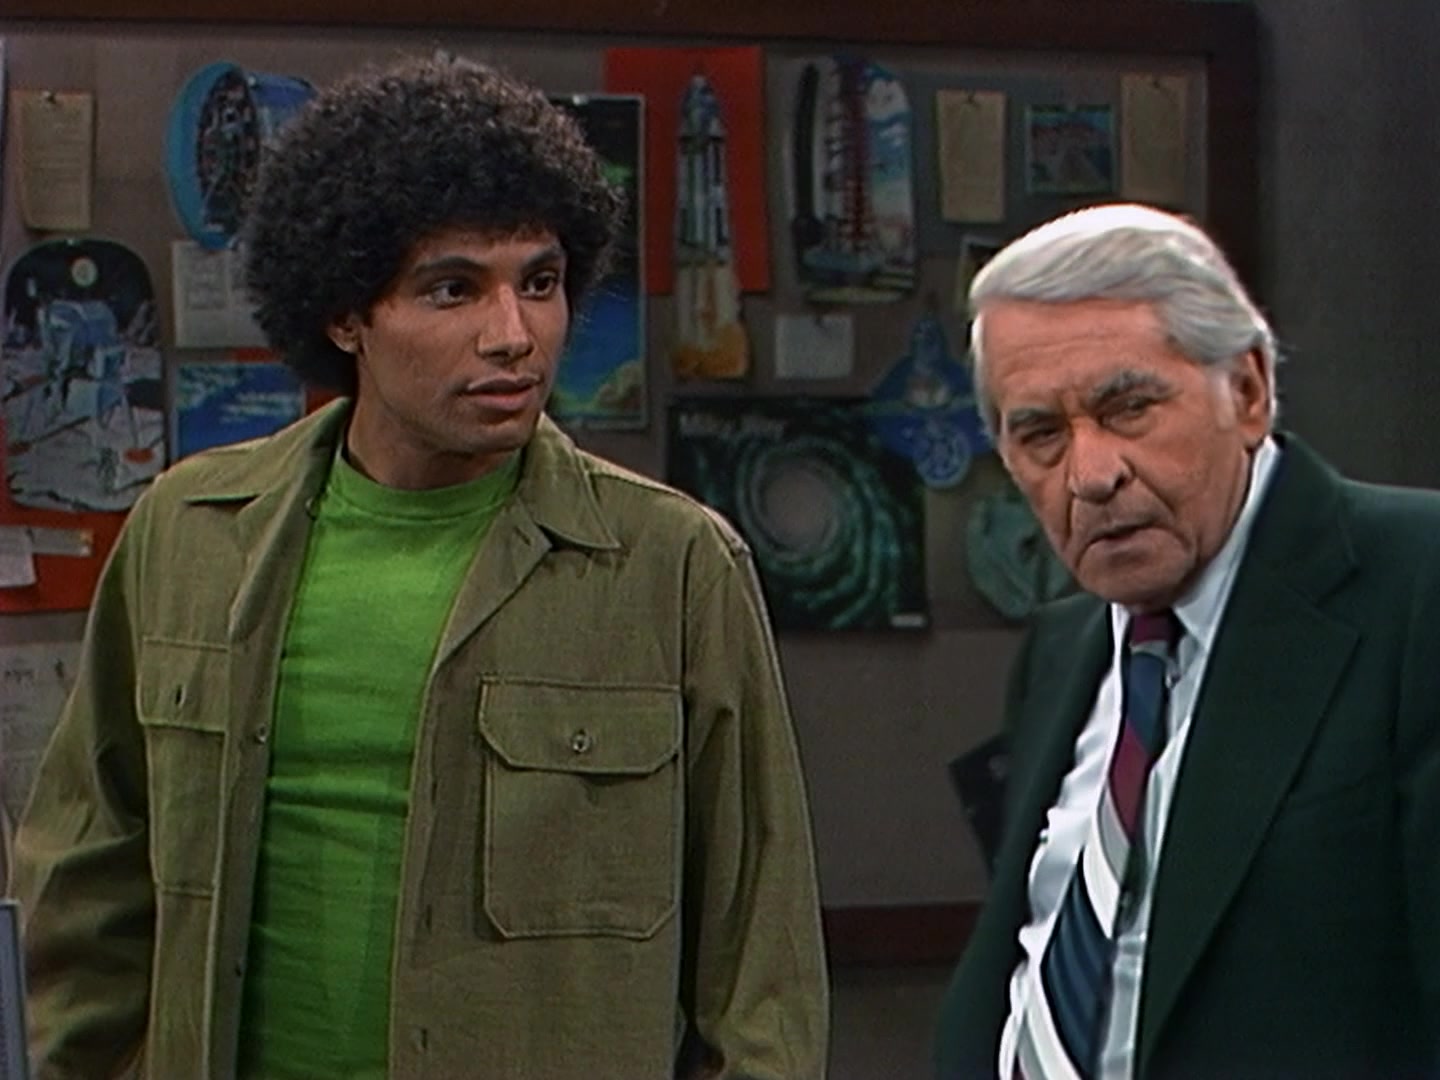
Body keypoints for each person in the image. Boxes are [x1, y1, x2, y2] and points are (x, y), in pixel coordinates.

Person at [14, 54, 829, 1080]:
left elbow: (761, 971)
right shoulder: (191, 534)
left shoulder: (672, 567)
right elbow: (87, 883)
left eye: (540, 283)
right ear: (346, 314)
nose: (514, 336)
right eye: (453, 289)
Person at [935, 203, 1440, 1078]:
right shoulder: (1064, 646)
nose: (1092, 476)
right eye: (1042, 434)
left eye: (1128, 407)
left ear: (1247, 392)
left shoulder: (1416, 587)